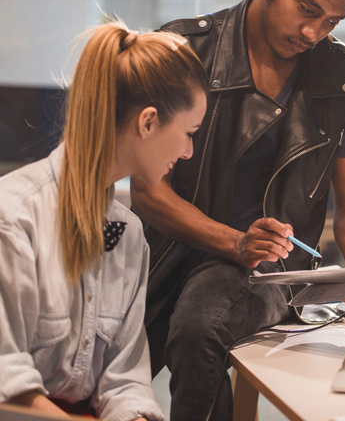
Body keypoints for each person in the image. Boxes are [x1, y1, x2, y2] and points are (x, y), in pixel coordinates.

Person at [130, 0, 345, 420]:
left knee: (200, 323)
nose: (314, 32)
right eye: (307, 9)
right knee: (87, 378)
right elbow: (147, 192)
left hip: (270, 274)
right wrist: (234, 241)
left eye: (332, 21)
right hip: (163, 256)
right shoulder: (183, 52)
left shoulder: (341, 79)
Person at [0, 22, 208, 420]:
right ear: (147, 123)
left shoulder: (129, 236)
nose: (187, 152)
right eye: (188, 133)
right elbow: (7, 385)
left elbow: (125, 380)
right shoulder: (13, 220)